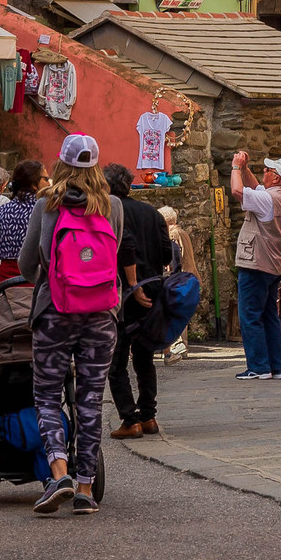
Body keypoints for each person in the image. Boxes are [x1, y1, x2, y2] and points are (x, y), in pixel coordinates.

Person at [19, 134, 131, 515]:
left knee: (48, 396)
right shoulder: (113, 206)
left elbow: (25, 266)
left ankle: (58, 472)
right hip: (101, 315)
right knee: (90, 399)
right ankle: (85, 488)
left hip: (55, 311)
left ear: (61, 164)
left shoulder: (45, 206)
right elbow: (112, 255)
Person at [104, 162, 172, 437]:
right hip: (153, 289)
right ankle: (148, 417)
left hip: (123, 291)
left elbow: (124, 247)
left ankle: (129, 419)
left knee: (117, 361)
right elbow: (167, 253)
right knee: (144, 356)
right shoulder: (151, 213)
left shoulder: (108, 212)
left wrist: (132, 281)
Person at [230, 151, 281, 382]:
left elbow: (238, 191)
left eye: (268, 171)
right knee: (269, 316)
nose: (264, 173)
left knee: (250, 315)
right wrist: (246, 169)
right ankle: (276, 366)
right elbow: (257, 188)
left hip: (256, 262)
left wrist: (236, 168)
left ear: (276, 178)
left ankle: (258, 366)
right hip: (274, 264)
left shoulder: (268, 199)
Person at [0, 160, 44, 276]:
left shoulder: (3, 210)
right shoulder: (43, 211)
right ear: (34, 184)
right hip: (35, 281)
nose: (49, 184)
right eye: (46, 179)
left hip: (6, 282)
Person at [158, 205, 197, 361]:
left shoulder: (173, 234)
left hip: (180, 276)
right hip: (188, 275)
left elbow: (174, 259)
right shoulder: (182, 232)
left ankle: (178, 346)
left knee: (174, 311)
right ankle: (180, 346)